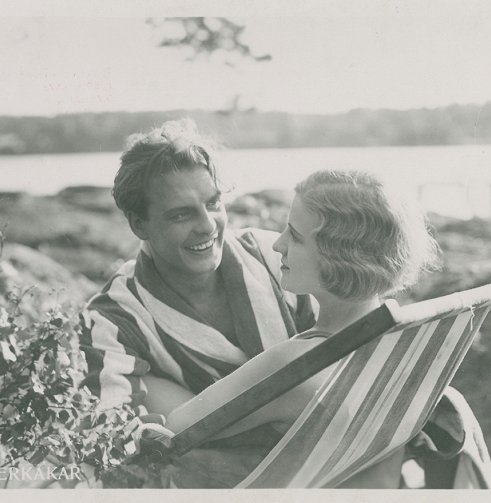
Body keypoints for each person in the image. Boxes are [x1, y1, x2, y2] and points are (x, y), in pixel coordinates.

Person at [156, 169, 440, 488]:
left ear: (339, 256)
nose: (278, 245)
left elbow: (173, 432)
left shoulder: (300, 366)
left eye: (294, 236)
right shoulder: (404, 342)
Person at [78, 119, 317, 464]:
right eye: (181, 215)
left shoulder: (274, 257)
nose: (207, 225)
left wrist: (179, 407)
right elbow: (113, 435)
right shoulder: (114, 319)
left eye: (214, 203)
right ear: (139, 224)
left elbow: (351, 356)